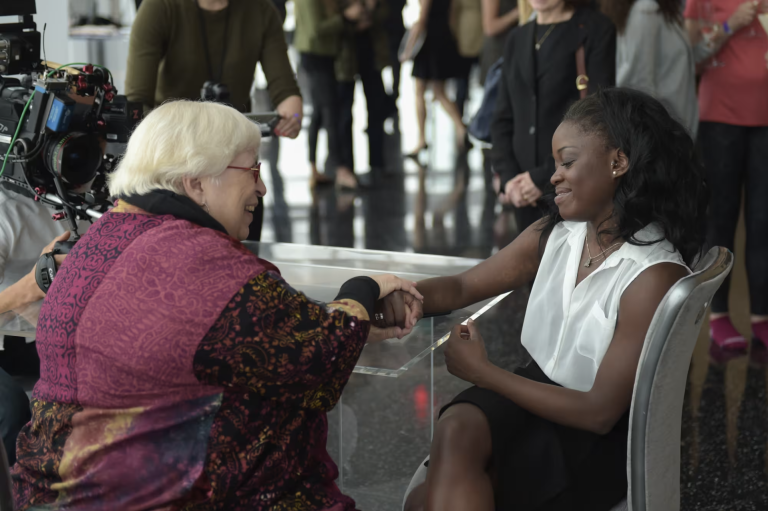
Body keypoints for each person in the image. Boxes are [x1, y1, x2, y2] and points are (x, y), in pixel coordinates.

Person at [11, 100, 422, 510]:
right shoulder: (203, 264)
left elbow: (228, 335)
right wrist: (362, 290)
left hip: (57, 494)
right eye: (252, 170)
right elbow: (320, 360)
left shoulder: (99, 239)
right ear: (197, 183)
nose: (261, 187)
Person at [404, 88, 709, 510]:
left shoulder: (652, 274)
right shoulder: (557, 234)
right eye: (555, 164)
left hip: (591, 436)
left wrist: (484, 373)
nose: (553, 176)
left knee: (425, 500)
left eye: (567, 162)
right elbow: (460, 288)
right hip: (536, 397)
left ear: (618, 162)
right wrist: (389, 297)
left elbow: (599, 412)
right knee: (456, 430)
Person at [125, 0, 303, 241]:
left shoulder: (260, 11)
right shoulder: (160, 7)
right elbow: (137, 102)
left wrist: (292, 117)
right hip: (177, 167)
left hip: (237, 167)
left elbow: (285, 88)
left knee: (244, 259)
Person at [683, 0, 768, 351]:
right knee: (721, 219)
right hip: (719, 119)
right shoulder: (699, 2)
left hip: (765, 122)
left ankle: (761, 317)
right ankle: (717, 317)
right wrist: (731, 24)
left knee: (763, 221)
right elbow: (690, 57)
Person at [492, 0, 615, 234]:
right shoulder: (517, 38)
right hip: (521, 189)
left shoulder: (595, 29)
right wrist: (509, 179)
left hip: (571, 183)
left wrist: (543, 177)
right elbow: (502, 117)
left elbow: (599, 117)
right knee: (529, 267)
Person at [603, 0, 699, 138]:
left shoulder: (664, 11)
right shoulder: (646, 11)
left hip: (673, 126)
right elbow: (639, 83)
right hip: (664, 132)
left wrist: (724, 30)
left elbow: (685, 61)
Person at [294, 0, 361, 189]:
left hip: (322, 54)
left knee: (319, 112)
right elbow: (317, 29)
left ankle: (314, 169)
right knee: (330, 111)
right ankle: (340, 170)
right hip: (315, 55)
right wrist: (345, 17)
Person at [403, 0, 473, 157]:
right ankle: (461, 128)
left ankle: (421, 139)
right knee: (440, 92)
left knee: (419, 92)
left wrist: (408, 48)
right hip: (443, 37)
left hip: (428, 41)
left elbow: (422, 21)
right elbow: (452, 17)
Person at [336, 0, 392, 185]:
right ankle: (347, 166)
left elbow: (387, 12)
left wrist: (370, 9)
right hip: (344, 55)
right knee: (344, 114)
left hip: (371, 54)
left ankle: (377, 164)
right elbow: (332, 17)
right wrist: (350, 18)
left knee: (376, 110)